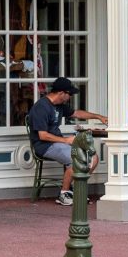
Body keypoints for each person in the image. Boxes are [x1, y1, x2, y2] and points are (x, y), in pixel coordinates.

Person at [26, 76, 105, 204]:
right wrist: (66, 140)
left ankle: (77, 190)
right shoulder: (41, 107)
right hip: (44, 146)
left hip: (58, 143)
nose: (71, 97)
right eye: (70, 94)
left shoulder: (60, 105)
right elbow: (43, 135)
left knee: (93, 157)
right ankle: (64, 194)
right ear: (61, 93)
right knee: (79, 158)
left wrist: (98, 116)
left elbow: (77, 113)